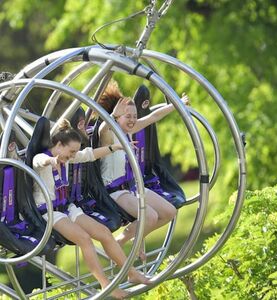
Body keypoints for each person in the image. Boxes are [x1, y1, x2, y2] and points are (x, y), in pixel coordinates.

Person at [32, 119, 150, 299]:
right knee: (85, 239)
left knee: (103, 232)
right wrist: (52, 160)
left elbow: (90, 154)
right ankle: (105, 285)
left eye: (74, 153)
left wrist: (115, 147)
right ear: (58, 145)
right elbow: (40, 161)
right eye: (70, 152)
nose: (72, 156)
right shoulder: (42, 158)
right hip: (49, 211)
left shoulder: (68, 158)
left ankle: (131, 272)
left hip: (67, 207)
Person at [96, 80, 189, 260]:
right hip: (115, 191)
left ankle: (128, 241)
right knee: (151, 216)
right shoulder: (108, 135)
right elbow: (102, 130)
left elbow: (153, 117)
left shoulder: (130, 129)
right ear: (117, 117)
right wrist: (113, 116)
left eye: (134, 116)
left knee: (170, 212)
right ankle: (127, 246)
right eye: (127, 116)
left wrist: (178, 104)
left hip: (133, 187)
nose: (132, 120)